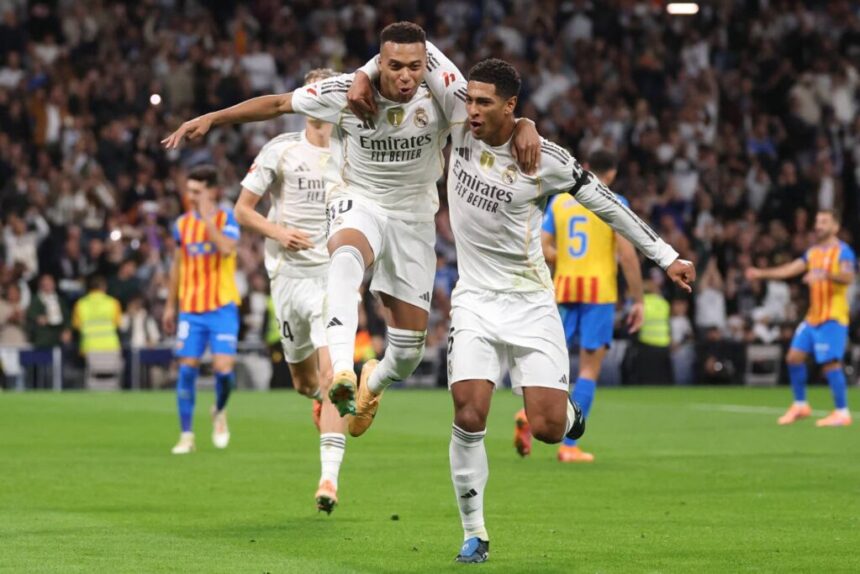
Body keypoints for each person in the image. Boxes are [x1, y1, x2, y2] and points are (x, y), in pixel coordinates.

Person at [349, 46, 694, 563]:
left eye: (485, 103)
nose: (472, 110)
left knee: (548, 428)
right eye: (470, 100)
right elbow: (417, 45)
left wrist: (666, 256)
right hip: (475, 301)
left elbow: (607, 206)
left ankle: (569, 412)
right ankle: (474, 533)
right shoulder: (459, 114)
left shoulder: (545, 159)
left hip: (531, 303)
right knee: (469, 412)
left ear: (511, 106)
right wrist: (363, 72)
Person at [162, 22, 540, 429]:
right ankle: (342, 370)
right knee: (344, 255)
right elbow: (277, 104)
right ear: (380, 62)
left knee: (408, 353)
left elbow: (492, 114)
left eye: (414, 67)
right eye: (394, 66)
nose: (406, 76)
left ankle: (371, 383)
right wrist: (213, 118)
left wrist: (525, 125)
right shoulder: (345, 92)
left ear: (425, 64)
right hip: (360, 199)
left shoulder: (444, 95)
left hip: (413, 218)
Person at [233, 68, 349, 514]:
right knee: (305, 384)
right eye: (312, 95)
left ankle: (329, 479)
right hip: (288, 278)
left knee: (333, 377)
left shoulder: (352, 152)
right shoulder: (281, 150)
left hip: (332, 276)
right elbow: (243, 211)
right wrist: (279, 232)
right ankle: (320, 404)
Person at [533, 149, 645, 463]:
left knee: (551, 361)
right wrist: (638, 299)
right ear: (611, 174)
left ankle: (527, 413)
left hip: (564, 290)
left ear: (585, 167)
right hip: (599, 294)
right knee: (588, 369)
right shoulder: (614, 202)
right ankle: (569, 445)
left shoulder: (561, 201)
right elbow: (627, 256)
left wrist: (565, 260)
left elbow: (542, 245)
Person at [746, 209, 855, 427]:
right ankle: (800, 405)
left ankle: (842, 412)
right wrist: (761, 273)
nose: (819, 225)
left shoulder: (843, 252)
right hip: (813, 318)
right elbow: (789, 269)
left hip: (833, 318)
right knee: (793, 357)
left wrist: (824, 274)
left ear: (835, 227)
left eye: (824, 222)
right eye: (818, 221)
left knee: (830, 363)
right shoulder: (813, 253)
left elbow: (848, 276)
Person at [162, 165, 241, 454]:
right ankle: (186, 435)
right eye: (189, 190)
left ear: (213, 191)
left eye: (197, 191)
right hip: (191, 309)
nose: (191, 196)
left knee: (224, 372)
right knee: (186, 370)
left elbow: (227, 248)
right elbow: (177, 265)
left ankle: (219, 409)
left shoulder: (227, 217)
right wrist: (170, 305)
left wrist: (207, 221)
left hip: (222, 307)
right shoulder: (181, 224)